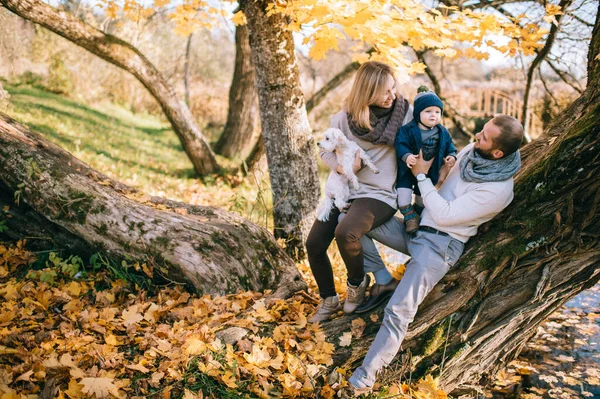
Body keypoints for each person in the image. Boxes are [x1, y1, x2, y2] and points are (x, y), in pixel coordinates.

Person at [347, 115, 524, 395]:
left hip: (440, 245)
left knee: (398, 310)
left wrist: (419, 175)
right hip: (416, 224)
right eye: (481, 131)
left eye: (484, 137)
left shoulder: (499, 191)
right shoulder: (472, 152)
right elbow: (441, 185)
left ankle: (364, 379)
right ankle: (382, 278)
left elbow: (445, 215)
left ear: (498, 152)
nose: (476, 136)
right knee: (352, 225)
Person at [306, 61, 413, 323]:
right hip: (344, 190)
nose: (392, 95)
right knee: (314, 244)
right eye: (385, 91)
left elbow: (428, 136)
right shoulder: (344, 119)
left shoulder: (405, 114)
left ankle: (357, 285)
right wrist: (342, 169)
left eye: (393, 88)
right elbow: (324, 151)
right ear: (367, 92)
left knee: (347, 232)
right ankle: (329, 299)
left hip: (379, 194)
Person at [395, 87, 457, 234]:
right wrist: (406, 155)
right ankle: (409, 216)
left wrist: (452, 156)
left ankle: (417, 217)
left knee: (423, 199)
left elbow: (450, 146)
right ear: (418, 114)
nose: (433, 115)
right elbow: (400, 143)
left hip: (429, 172)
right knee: (402, 199)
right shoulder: (408, 129)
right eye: (428, 111)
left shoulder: (443, 132)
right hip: (407, 171)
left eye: (437, 112)